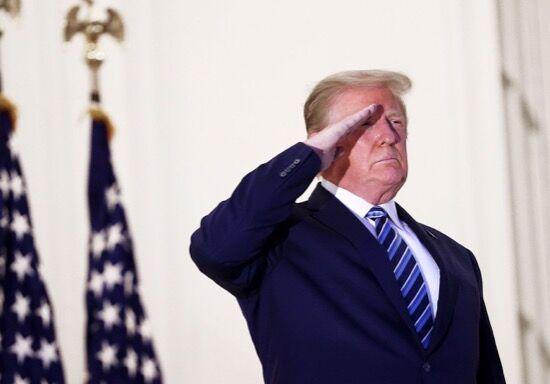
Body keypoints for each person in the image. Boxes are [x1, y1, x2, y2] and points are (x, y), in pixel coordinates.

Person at [189, 70, 506, 383]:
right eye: (364, 123)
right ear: (325, 141)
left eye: (396, 123)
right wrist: (308, 155)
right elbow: (215, 249)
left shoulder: (456, 258)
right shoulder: (280, 239)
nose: (389, 136)